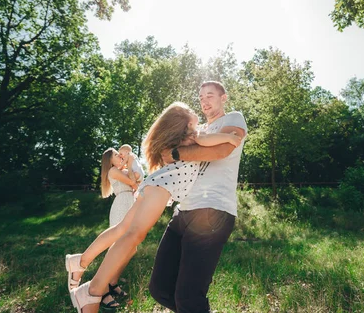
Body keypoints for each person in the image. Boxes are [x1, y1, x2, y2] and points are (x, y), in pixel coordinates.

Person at [69, 101, 242, 313]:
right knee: (133, 235)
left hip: (156, 183)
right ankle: (92, 290)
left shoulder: (181, 141)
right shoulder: (192, 136)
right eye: (192, 112)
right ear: (185, 120)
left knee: (125, 230)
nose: (197, 112)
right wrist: (229, 137)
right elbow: (213, 145)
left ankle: (83, 271)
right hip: (165, 184)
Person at [149, 80, 247, 313]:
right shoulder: (198, 130)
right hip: (183, 211)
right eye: (201, 97)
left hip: (213, 209)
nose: (204, 101)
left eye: (210, 95)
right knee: (160, 289)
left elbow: (220, 151)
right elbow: (166, 156)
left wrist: (176, 153)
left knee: (189, 295)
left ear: (223, 98)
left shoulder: (233, 118)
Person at [65, 148, 138, 298]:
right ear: (109, 161)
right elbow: (133, 182)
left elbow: (138, 180)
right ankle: (102, 286)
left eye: (120, 155)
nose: (120, 156)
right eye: (117, 155)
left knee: (131, 249)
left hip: (131, 204)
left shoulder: (122, 170)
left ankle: (112, 282)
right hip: (122, 204)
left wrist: (130, 166)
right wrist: (130, 163)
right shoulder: (113, 171)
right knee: (117, 247)